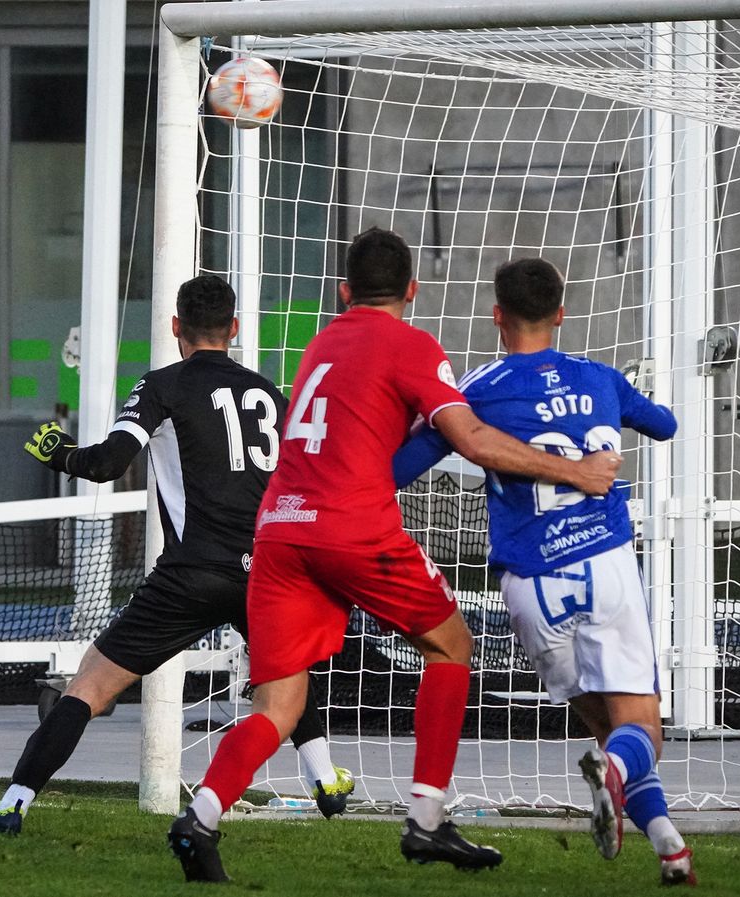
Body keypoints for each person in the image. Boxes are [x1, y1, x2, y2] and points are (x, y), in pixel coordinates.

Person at [166, 228, 622, 883]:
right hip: (351, 527)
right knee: (452, 645)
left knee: (280, 704)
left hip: (279, 529)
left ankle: (200, 818)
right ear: (412, 289)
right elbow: (471, 438)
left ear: (344, 290)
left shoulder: (321, 343)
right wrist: (574, 470)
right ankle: (427, 819)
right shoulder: (412, 345)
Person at [0, 274, 354, 834]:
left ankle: (14, 804)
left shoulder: (162, 386)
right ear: (234, 328)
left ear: (175, 328)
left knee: (89, 688)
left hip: (191, 573)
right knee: (284, 679)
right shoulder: (269, 392)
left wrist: (58, 452)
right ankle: (324, 781)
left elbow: (106, 464)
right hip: (268, 571)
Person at [391, 257, 693, 886]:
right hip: (602, 563)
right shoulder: (600, 378)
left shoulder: (475, 390)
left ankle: (669, 847)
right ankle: (618, 781)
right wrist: (613, 408)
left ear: (496, 315)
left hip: (530, 583)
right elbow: (663, 425)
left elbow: (401, 467)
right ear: (561, 313)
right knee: (638, 733)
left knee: (605, 725)